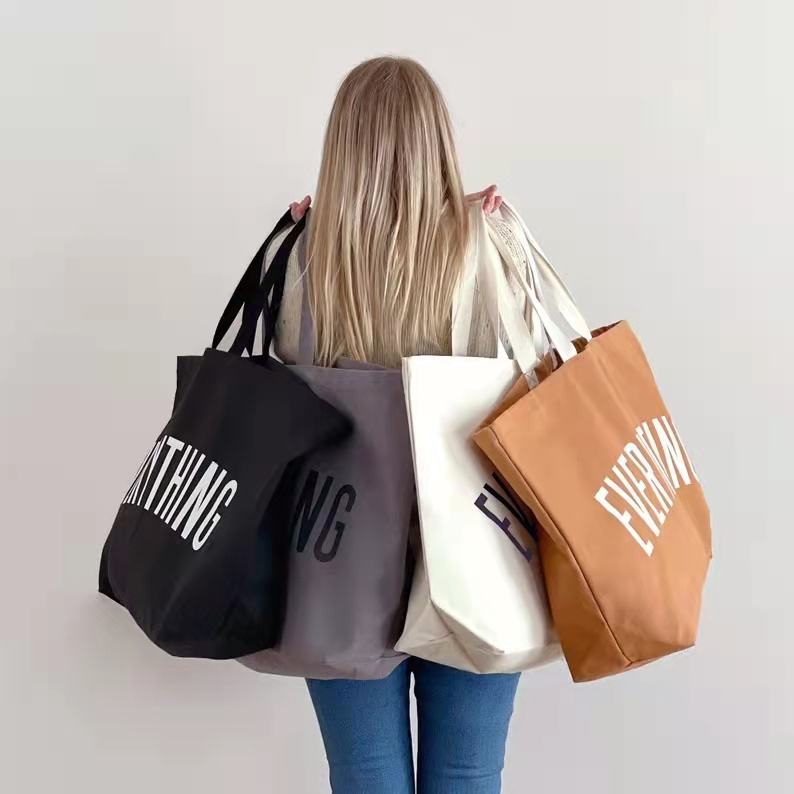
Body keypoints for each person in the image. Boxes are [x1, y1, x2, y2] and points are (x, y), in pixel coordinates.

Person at [266, 56, 528, 794]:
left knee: (364, 773)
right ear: (437, 141)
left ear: (341, 144)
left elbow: (281, 374)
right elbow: (534, 370)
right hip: (478, 541)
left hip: (337, 549)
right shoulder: (491, 244)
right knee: (468, 773)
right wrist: (478, 229)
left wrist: (313, 233)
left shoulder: (300, 254)